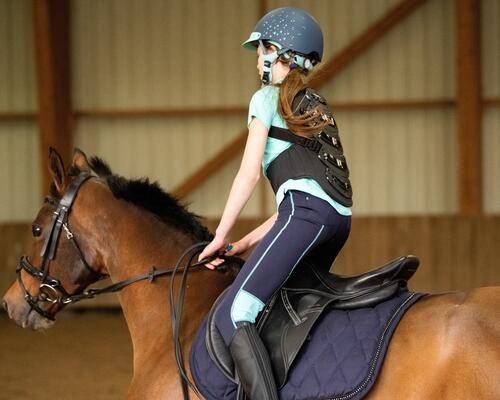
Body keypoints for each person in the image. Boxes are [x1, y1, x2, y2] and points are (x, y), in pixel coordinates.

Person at [198, 7, 353, 399]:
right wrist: (244, 244)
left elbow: (249, 174)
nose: (257, 58)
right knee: (284, 310)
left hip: (306, 217)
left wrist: (219, 236)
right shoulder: (315, 105)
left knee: (236, 313)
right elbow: (304, 196)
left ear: (279, 53)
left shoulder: (266, 98)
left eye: (260, 49)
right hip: (333, 223)